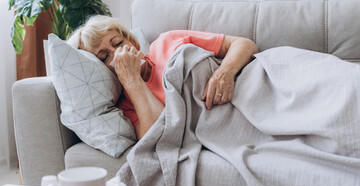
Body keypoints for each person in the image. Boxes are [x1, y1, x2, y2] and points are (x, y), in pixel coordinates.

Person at [67, 15, 258, 140]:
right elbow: (160, 135)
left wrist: (224, 72)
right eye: (105, 57)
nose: (118, 53)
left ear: (133, 42)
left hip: (252, 85)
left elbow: (244, 44)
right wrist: (132, 80)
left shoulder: (167, 41)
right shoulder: (127, 106)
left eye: (118, 43)